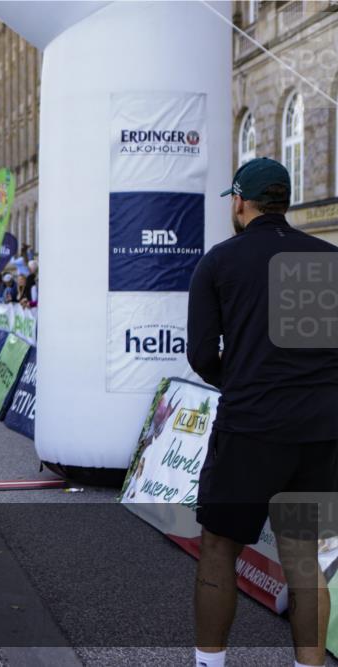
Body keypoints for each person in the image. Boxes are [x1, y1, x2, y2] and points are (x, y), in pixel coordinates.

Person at [187, 158, 338, 667]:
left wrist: (243, 379)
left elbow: (202, 354)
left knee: (219, 548)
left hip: (250, 427)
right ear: (285, 202)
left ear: (239, 202)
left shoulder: (220, 261)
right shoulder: (328, 258)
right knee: (302, 558)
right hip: (319, 430)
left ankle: (210, 662)